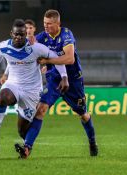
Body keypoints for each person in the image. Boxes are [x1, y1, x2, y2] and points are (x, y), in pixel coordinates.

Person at [15, 9, 98, 158]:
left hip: (73, 81)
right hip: (54, 79)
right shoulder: (42, 37)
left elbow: (69, 59)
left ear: (58, 23)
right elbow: (27, 47)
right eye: (44, 23)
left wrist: (47, 61)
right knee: (41, 109)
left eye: (49, 24)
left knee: (83, 115)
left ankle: (92, 141)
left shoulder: (66, 35)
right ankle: (27, 148)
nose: (46, 26)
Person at [0, 19, 68, 154]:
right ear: (11, 33)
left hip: (32, 91)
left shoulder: (36, 48)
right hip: (13, 84)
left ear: (26, 34)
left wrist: (64, 77)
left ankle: (27, 146)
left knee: (22, 131)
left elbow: (56, 57)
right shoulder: (4, 46)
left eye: (22, 34)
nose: (19, 37)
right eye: (16, 34)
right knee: (3, 97)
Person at [0, 19, 45, 85]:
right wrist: (5, 74)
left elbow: (50, 55)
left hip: (38, 77)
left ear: (34, 29)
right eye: (26, 28)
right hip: (20, 78)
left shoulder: (40, 43)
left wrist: (47, 65)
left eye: (30, 28)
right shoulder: (18, 44)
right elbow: (12, 61)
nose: (28, 30)